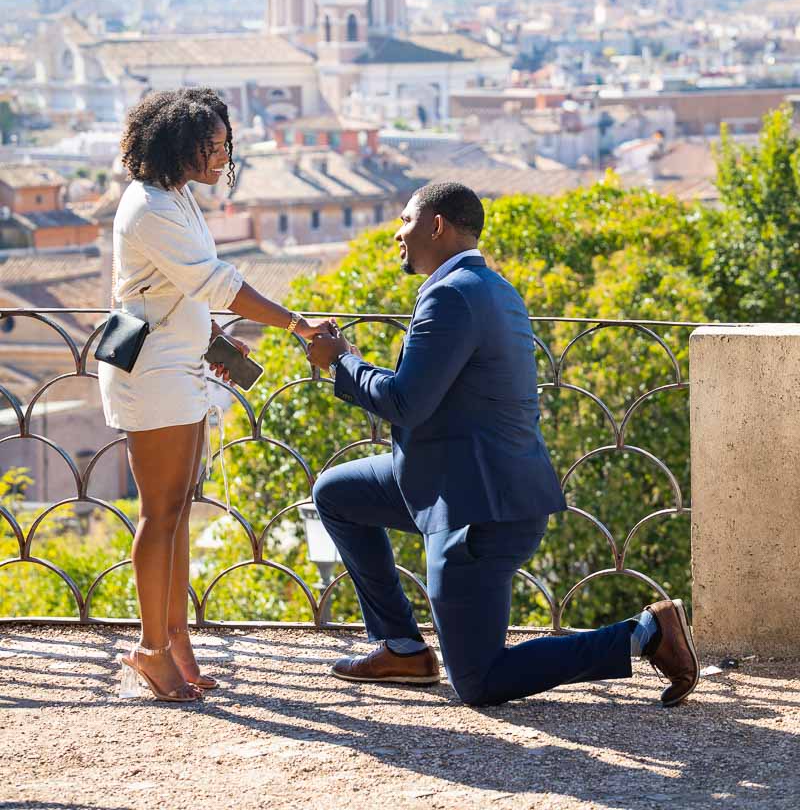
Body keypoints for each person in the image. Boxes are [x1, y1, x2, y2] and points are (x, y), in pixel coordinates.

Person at [308, 181, 699, 708]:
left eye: (405, 221)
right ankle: (400, 646)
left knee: (481, 681)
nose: (397, 234)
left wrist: (339, 360)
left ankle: (643, 634)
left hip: (479, 509)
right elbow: (430, 394)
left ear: (437, 225)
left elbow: (404, 404)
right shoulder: (488, 286)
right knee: (337, 492)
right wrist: (350, 359)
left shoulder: (451, 295)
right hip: (454, 476)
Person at [100, 88, 322, 703]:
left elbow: (178, 289)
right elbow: (214, 280)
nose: (224, 154)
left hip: (177, 362)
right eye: (214, 145)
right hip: (153, 370)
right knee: (160, 512)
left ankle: (175, 641)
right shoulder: (151, 206)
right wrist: (297, 324)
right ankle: (150, 648)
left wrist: (215, 340)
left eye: (226, 143)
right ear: (179, 146)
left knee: (176, 512)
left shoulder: (173, 198)